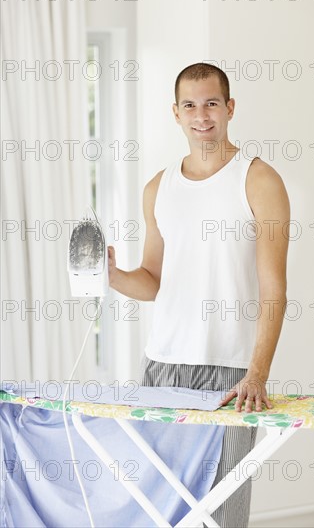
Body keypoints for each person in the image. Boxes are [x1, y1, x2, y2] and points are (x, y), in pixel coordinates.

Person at [108, 62, 290, 528]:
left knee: (223, 512)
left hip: (232, 374)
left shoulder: (258, 180)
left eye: (211, 103)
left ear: (229, 108)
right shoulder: (158, 188)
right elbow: (151, 279)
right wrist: (110, 275)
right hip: (162, 366)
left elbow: (274, 287)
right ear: (175, 113)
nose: (201, 115)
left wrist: (257, 374)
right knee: (158, 507)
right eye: (189, 105)